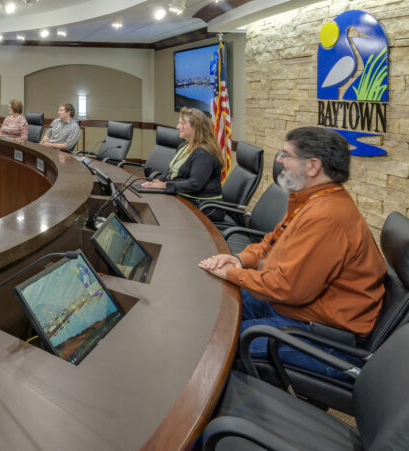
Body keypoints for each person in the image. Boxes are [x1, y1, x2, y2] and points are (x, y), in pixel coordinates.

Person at [198, 127, 386, 379]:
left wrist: (231, 273)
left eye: (286, 155)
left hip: (322, 338)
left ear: (312, 166)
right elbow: (270, 244)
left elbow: (285, 287)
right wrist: (240, 259)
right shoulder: (310, 199)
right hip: (291, 309)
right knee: (212, 309)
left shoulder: (327, 217)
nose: (278, 160)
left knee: (214, 342)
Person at [140, 107, 224, 219]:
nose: (177, 127)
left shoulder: (203, 153)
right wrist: (158, 181)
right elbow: (171, 170)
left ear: (195, 127)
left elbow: (195, 184)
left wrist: (165, 185)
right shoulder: (184, 145)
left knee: (160, 213)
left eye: (181, 123)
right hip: (186, 198)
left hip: (205, 205)